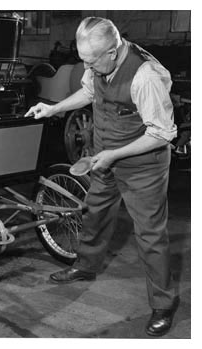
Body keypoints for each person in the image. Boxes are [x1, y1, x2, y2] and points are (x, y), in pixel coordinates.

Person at [25, 17, 178, 337]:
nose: (88, 68)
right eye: (84, 61)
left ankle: (164, 303)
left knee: (150, 234)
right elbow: (88, 93)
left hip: (143, 166)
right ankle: (85, 265)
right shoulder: (97, 65)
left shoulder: (145, 76)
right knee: (94, 211)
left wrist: (113, 155)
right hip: (104, 157)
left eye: (92, 61)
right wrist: (53, 109)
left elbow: (161, 135)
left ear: (113, 50)